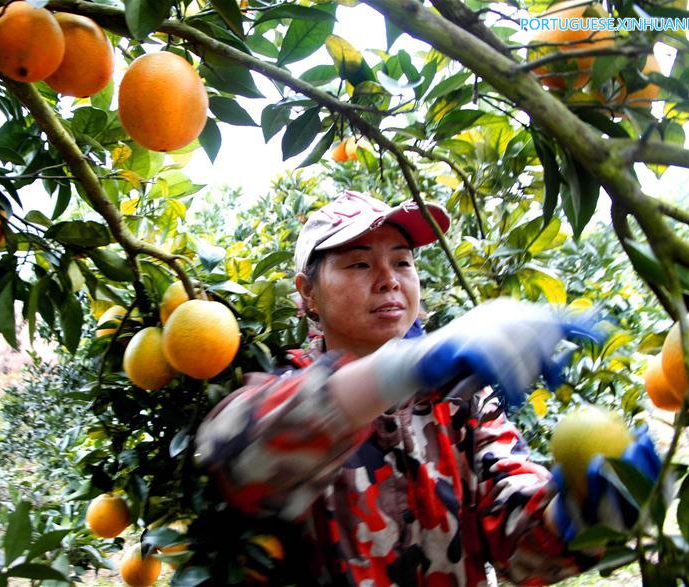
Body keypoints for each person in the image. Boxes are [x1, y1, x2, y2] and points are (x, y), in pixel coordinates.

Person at [195, 191, 660, 586]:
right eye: (359, 263)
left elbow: (519, 547)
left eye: (402, 261)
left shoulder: (459, 398)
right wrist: (401, 368)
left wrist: (579, 514)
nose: (389, 280)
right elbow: (239, 460)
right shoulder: (285, 387)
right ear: (308, 293)